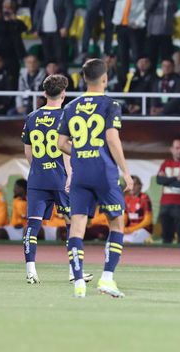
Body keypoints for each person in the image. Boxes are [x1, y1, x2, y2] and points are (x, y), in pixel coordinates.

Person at [57, 58, 133, 298]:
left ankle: (79, 281)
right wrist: (126, 171)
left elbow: (61, 143)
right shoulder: (111, 104)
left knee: (77, 226)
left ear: (83, 78)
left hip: (80, 173)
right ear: (105, 78)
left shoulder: (71, 106)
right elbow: (112, 138)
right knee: (116, 223)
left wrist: (81, 153)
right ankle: (107, 278)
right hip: (104, 172)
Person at [20, 74, 93, 284]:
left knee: (33, 225)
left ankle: (31, 271)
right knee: (72, 224)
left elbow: (28, 151)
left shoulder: (32, 117)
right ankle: (73, 271)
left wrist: (38, 169)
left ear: (44, 93)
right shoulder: (66, 115)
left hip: (37, 179)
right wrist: (70, 175)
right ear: (63, 93)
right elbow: (66, 149)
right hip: (61, 178)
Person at [157, 139, 180, 244]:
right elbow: (159, 180)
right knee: (166, 235)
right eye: (177, 148)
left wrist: (167, 180)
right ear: (171, 149)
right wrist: (175, 179)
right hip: (165, 204)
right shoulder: (165, 163)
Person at [123, 176, 153, 244]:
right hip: (131, 229)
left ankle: (147, 239)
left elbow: (148, 221)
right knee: (115, 241)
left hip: (144, 229)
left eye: (135, 184)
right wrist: (122, 227)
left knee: (131, 242)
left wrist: (131, 229)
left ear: (140, 186)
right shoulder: (126, 199)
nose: (132, 187)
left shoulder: (144, 198)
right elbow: (125, 216)